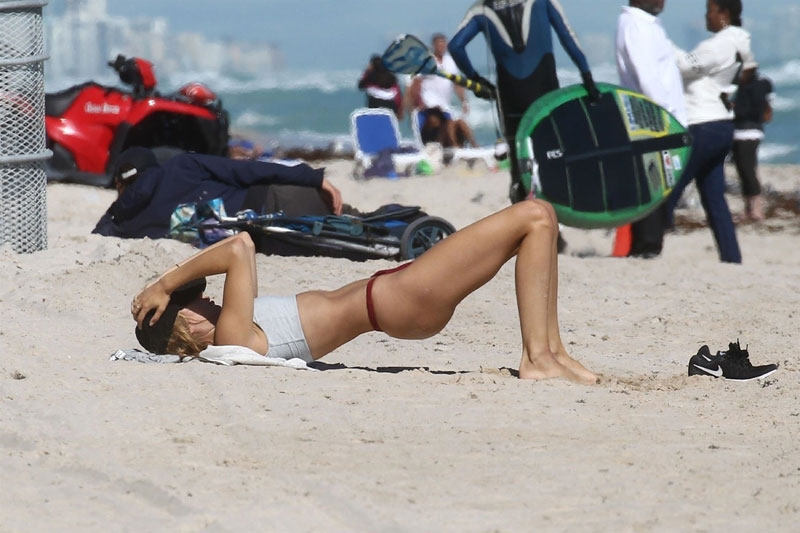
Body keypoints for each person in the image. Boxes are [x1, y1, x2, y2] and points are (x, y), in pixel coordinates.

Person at [130, 199, 599, 384]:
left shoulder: (234, 329)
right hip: (399, 299)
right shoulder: (230, 338)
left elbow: (239, 252)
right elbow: (240, 245)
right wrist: (163, 285)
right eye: (198, 303)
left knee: (541, 221)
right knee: (534, 215)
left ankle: (550, 351)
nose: (210, 300)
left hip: (396, 292)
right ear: (187, 325)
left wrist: (167, 287)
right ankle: (538, 356)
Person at [448, 0, 600, 203]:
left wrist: (476, 80)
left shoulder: (482, 8)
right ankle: (553, 227)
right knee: (552, 160)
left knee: (519, 168)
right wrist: (587, 77)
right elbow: (567, 36)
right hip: (544, 94)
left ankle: (523, 223)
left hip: (510, 98)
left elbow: (456, 46)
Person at [93, 147, 343, 240]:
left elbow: (99, 233)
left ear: (120, 183)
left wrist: (116, 209)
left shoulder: (123, 223)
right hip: (274, 197)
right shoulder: (181, 166)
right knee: (354, 219)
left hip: (261, 235)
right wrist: (313, 176)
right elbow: (247, 170)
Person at [666, 0, 754, 264]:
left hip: (702, 124)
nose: (707, 18)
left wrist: (663, 45)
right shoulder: (742, 42)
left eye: (710, 12)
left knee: (671, 187)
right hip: (723, 125)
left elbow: (682, 66)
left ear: (724, 14)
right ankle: (731, 258)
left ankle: (647, 244)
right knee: (714, 197)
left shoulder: (718, 44)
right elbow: (750, 71)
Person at [615, 0, 687, 258]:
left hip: (661, 118)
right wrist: (666, 116)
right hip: (654, 120)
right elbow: (647, 78)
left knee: (657, 183)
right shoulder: (636, 24)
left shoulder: (648, 24)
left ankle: (648, 245)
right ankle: (646, 248)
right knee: (653, 184)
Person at [407, 33, 477, 148]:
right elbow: (415, 84)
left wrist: (464, 101)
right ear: (433, 46)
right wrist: (418, 104)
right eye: (439, 45)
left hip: (444, 108)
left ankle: (476, 148)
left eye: (443, 45)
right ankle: (454, 148)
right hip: (429, 109)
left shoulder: (450, 62)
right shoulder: (426, 62)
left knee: (461, 124)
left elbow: (456, 84)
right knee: (444, 123)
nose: (441, 47)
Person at [732, 65, 773, 221]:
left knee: (747, 170)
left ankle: (755, 208)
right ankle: (750, 208)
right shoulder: (759, 83)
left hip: (748, 131)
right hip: (744, 130)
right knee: (744, 170)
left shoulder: (754, 85)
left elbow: (760, 110)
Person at [357, 54, 404, 119]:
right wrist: (400, 112)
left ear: (373, 66)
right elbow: (398, 97)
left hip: (375, 107)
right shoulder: (391, 78)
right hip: (391, 107)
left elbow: (360, 86)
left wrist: (367, 71)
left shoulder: (369, 78)